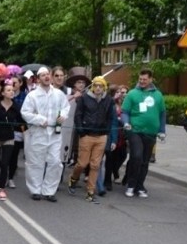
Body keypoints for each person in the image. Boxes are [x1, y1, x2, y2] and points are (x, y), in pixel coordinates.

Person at [20, 66, 70, 202]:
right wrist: (39, 120)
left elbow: (66, 107)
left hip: (54, 134)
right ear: (38, 79)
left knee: (55, 162)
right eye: (43, 75)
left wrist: (63, 115)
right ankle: (35, 189)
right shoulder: (33, 95)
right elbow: (25, 112)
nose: (46, 77)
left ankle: (49, 191)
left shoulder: (58, 94)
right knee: (36, 162)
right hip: (38, 133)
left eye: (48, 74)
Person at [66, 76, 117, 203]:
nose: (98, 88)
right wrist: (81, 131)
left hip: (101, 136)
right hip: (87, 135)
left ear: (104, 87)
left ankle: (90, 191)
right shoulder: (84, 98)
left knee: (95, 165)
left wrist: (107, 131)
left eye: (101, 86)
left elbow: (111, 117)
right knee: (82, 164)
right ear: (93, 86)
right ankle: (73, 178)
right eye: (96, 85)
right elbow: (78, 116)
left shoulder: (109, 100)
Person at [121, 68, 166, 198]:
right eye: (140, 79)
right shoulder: (132, 94)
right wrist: (126, 123)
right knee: (136, 156)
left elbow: (162, 114)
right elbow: (125, 112)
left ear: (151, 79)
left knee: (145, 161)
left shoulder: (158, 95)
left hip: (151, 133)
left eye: (145, 79)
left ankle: (140, 186)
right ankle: (131, 184)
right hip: (135, 131)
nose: (142, 81)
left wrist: (162, 131)